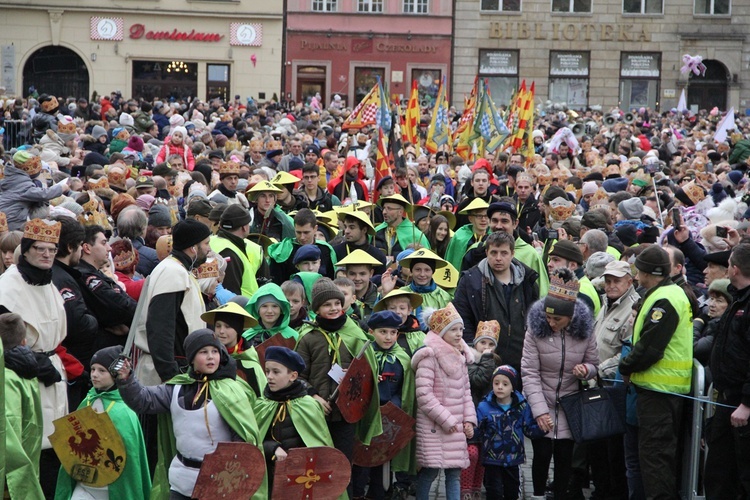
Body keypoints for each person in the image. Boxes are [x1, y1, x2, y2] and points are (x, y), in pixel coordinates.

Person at [116, 329, 263, 499]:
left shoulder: (231, 391)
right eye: (203, 352)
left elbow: (242, 442)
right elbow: (143, 400)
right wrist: (126, 379)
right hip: (180, 480)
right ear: (191, 358)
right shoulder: (176, 388)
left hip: (218, 484)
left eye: (215, 351)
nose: (210, 357)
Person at [295, 278, 383, 496]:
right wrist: (313, 395)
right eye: (327, 305)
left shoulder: (354, 332)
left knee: (344, 464)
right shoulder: (308, 337)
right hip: (316, 414)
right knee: (318, 466)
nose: (333, 308)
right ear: (317, 309)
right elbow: (297, 376)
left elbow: (366, 368)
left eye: (337, 302)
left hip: (345, 413)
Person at [0, 219, 69, 497]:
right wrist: (23, 358)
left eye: (52, 249)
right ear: (25, 251)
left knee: (54, 448)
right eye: (40, 248)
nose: (46, 254)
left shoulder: (50, 283)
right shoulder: (7, 287)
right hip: (20, 377)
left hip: (52, 370)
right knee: (28, 449)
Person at [619, 245, 693, 500]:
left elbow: (650, 347)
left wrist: (625, 367)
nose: (636, 276)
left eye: (638, 271)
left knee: (655, 462)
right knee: (653, 460)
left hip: (660, 393)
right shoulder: (664, 293)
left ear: (648, 272)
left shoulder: (665, 299)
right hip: (659, 391)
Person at [521, 267, 598, 500]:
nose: (551, 322)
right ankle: (537, 495)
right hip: (542, 398)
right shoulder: (535, 331)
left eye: (557, 319)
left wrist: (586, 370)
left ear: (571, 317)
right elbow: (529, 372)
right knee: (542, 454)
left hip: (570, 403)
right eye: (548, 317)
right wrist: (539, 411)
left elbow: (594, 363)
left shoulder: (585, 332)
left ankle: (561, 494)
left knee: (565, 457)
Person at [55, 346, 152, 500]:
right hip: (84, 484)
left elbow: (130, 457)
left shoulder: (124, 410)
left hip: (111, 488)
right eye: (93, 369)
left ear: (114, 375)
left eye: (102, 371)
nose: (94, 375)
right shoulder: (87, 401)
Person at [133, 219, 212, 386]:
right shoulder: (172, 272)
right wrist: (170, 375)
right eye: (206, 243)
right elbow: (160, 327)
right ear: (193, 247)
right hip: (164, 374)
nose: (209, 249)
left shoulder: (177, 269)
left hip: (175, 368)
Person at [411, 303, 476, 500]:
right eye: (453, 329)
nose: (459, 334)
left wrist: (469, 420)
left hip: (455, 426)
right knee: (430, 471)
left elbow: (466, 393)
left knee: (454, 473)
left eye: (461, 329)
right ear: (441, 332)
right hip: (435, 425)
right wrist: (447, 420)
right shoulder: (429, 357)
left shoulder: (461, 356)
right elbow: (424, 396)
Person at [252, 346, 335, 494]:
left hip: (301, 479)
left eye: (276, 372)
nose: (269, 376)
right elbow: (252, 442)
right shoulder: (261, 405)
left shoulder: (308, 405)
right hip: (267, 479)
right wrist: (272, 448)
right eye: (267, 371)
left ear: (293, 376)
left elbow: (319, 446)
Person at [454, 231, 540, 372]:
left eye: (504, 253)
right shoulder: (471, 281)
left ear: (512, 254)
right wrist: (474, 353)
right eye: (494, 253)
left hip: (521, 360)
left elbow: (535, 318)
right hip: (484, 361)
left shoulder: (527, 281)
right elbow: (462, 319)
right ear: (486, 252)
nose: (498, 258)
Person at [352, 311, 416, 500]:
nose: (388, 337)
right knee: (361, 461)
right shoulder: (364, 353)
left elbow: (405, 392)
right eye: (383, 332)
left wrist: (391, 409)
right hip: (365, 418)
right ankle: (357, 494)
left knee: (381, 462)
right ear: (371, 332)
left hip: (388, 418)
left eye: (393, 332)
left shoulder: (401, 358)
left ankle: (379, 494)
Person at [705, 244, 750, 498]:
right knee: (719, 473)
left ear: (734, 269)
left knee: (743, 475)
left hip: (741, 403)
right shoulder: (737, 299)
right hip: (726, 398)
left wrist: (747, 402)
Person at [476, 365, 544, 500]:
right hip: (492, 459)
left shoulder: (521, 406)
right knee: (493, 491)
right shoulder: (484, 406)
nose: (500, 387)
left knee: (511, 491)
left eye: (505, 384)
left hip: (513, 458)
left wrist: (542, 428)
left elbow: (528, 429)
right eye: (496, 383)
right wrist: (471, 430)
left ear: (512, 387)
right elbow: (478, 431)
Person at [1, 312, 45, 500]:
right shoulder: (28, 374)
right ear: (24, 341)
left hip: (11, 476)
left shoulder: (7, 378)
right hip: (29, 460)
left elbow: (11, 428)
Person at [77, 225, 137, 352]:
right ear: (87, 248)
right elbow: (118, 305)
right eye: (104, 243)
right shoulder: (85, 275)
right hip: (102, 350)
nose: (109, 248)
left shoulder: (95, 273)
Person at [463, 321, 501, 499]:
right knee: (471, 454)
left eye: (491, 344)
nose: (486, 347)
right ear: (475, 342)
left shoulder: (494, 363)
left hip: (486, 419)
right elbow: (477, 380)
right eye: (483, 342)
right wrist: (486, 359)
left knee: (483, 457)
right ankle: (465, 489)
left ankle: (476, 488)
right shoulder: (469, 359)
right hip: (470, 416)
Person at [200, 302, 266, 399]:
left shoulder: (251, 366)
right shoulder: (206, 359)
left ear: (238, 330)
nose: (221, 331)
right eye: (218, 326)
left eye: (228, 326)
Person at [382, 248, 452, 331]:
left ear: (433, 272)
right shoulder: (401, 292)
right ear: (411, 271)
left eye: (427, 270)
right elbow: (382, 318)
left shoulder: (443, 297)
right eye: (418, 270)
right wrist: (386, 292)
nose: (422, 274)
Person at [0, 151, 70, 231]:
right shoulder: (22, 183)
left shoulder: (10, 176)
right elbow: (43, 195)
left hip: (6, 218)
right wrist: (61, 187)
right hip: (12, 222)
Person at [267, 208, 337, 283]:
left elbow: (332, 279)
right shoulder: (282, 251)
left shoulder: (326, 249)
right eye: (298, 232)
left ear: (315, 229)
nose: (302, 237)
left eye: (306, 232)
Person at [210, 204, 263, 297]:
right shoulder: (230, 252)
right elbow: (230, 292)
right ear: (244, 227)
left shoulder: (212, 241)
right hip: (240, 307)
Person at [374, 194, 430, 260]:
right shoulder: (376, 231)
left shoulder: (416, 235)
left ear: (400, 212)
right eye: (383, 208)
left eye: (389, 208)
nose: (384, 212)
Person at [242, 283, 298, 348]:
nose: (269, 311)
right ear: (257, 310)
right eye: (264, 306)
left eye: (275, 306)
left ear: (281, 310)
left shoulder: (292, 336)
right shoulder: (247, 337)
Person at [333, 210, 387, 275]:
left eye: (352, 227)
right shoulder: (335, 252)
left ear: (364, 230)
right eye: (345, 227)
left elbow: (380, 282)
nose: (346, 231)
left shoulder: (378, 256)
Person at [335, 249, 382, 322]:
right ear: (346, 274)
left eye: (362, 274)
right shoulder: (336, 300)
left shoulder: (379, 299)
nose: (357, 278)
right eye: (352, 274)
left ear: (371, 273)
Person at [374, 289, 425, 356]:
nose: (397, 312)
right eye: (392, 308)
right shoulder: (377, 333)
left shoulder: (419, 337)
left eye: (402, 308)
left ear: (409, 310)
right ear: (385, 310)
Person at [445, 198, 490, 271]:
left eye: (486, 216)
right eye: (479, 216)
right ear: (470, 218)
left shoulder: (493, 236)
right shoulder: (460, 236)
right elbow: (451, 262)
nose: (483, 219)